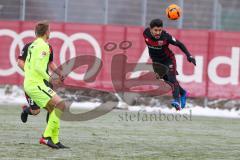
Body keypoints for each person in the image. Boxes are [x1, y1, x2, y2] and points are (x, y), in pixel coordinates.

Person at [23, 21, 68, 149]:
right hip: (36, 84)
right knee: (61, 104)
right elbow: (38, 67)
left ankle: (54, 140)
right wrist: (50, 79)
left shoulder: (32, 45)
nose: (50, 32)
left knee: (54, 109)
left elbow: (27, 65)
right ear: (46, 32)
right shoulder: (43, 46)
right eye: (50, 30)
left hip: (31, 83)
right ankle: (46, 137)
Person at [143, 18, 196, 110]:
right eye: (155, 30)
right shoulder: (145, 33)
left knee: (172, 79)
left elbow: (180, 44)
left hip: (168, 59)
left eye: (160, 30)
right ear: (150, 29)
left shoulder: (166, 36)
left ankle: (176, 100)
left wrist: (189, 55)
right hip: (156, 61)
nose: (158, 32)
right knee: (167, 80)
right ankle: (183, 92)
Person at [18, 42, 58, 123]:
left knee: (53, 106)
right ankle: (26, 110)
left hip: (44, 83)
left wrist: (59, 73)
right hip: (32, 84)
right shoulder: (29, 46)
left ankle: (48, 134)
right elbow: (20, 62)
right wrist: (30, 73)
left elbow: (50, 62)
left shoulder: (48, 47)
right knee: (36, 111)